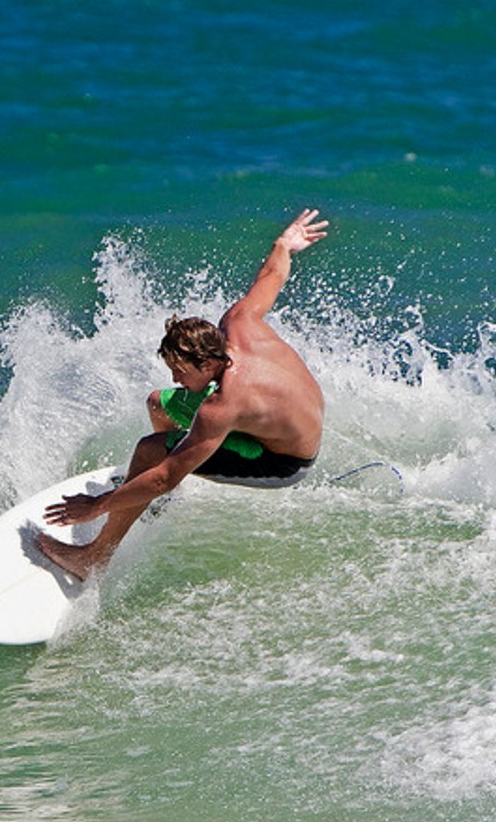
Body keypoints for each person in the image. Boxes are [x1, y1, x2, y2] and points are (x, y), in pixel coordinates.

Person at [36, 208, 329, 581]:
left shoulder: (221, 407)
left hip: (282, 459)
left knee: (150, 452)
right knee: (158, 403)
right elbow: (272, 275)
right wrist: (284, 244)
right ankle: (149, 499)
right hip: (287, 419)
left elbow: (164, 477)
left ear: (208, 364)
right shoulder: (238, 322)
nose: (176, 377)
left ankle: (93, 558)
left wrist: (96, 506)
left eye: (181, 371)